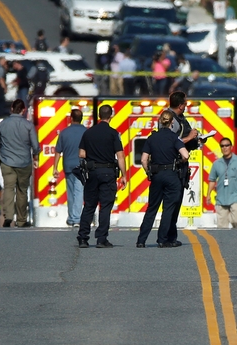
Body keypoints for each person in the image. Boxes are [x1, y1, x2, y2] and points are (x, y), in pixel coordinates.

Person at [136, 110, 190, 248]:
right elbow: (185, 155)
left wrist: (149, 172)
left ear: (160, 122)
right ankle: (162, 239)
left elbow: (143, 160)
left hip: (157, 175)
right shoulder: (174, 138)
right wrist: (180, 162)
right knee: (168, 209)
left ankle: (141, 240)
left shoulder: (151, 138)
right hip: (171, 175)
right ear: (172, 123)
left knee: (152, 208)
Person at [76, 105, 127, 249]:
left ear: (99, 115)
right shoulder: (113, 133)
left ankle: (83, 238)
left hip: (92, 172)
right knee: (105, 206)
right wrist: (124, 175)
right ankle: (101, 239)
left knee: (89, 206)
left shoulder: (88, 133)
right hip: (108, 172)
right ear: (111, 116)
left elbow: (81, 154)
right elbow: (120, 156)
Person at [0, 99, 40, 227]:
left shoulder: (2, 124)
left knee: (8, 188)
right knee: (22, 191)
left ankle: (8, 217)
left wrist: (3, 149)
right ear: (24, 110)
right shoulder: (28, 125)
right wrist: (35, 156)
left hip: (7, 162)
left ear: (11, 109)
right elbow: (35, 146)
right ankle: (21, 219)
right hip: (24, 162)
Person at [166, 91, 199, 245]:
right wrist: (190, 137)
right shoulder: (171, 120)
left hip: (180, 167)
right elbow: (171, 143)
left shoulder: (180, 118)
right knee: (172, 203)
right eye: (185, 104)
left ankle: (171, 236)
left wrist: (196, 140)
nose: (186, 106)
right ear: (180, 105)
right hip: (173, 167)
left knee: (176, 202)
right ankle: (168, 237)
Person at [53, 105, 87, 227]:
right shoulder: (86, 132)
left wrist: (55, 168)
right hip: (81, 166)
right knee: (79, 191)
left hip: (68, 166)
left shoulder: (64, 133)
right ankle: (76, 218)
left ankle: (72, 217)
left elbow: (58, 151)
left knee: (71, 191)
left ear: (71, 119)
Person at [206, 137, 237, 229]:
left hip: (236, 197)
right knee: (222, 226)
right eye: (222, 146)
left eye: (227, 145)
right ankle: (224, 242)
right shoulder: (216, 164)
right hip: (221, 198)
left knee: (235, 220)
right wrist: (208, 194)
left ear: (231, 147)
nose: (224, 148)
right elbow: (212, 180)